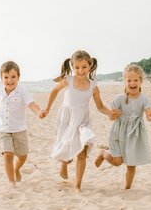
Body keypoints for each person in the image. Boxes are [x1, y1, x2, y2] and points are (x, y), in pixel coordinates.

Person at [40, 49, 117, 191]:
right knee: (68, 150)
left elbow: (100, 106)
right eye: (77, 67)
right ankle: (64, 162)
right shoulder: (67, 81)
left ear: (90, 66)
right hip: (67, 119)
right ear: (72, 66)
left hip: (82, 121)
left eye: (84, 67)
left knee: (82, 152)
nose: (80, 71)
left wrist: (109, 113)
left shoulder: (93, 87)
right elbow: (54, 91)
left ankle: (77, 185)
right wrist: (48, 108)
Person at [0, 61, 42, 186]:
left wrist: (39, 112)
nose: (10, 80)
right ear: (1, 78)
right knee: (8, 155)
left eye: (13, 77)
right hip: (2, 128)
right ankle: (12, 183)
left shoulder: (22, 91)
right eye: (6, 77)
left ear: (18, 77)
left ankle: (16, 169)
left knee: (23, 156)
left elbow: (31, 104)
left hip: (19, 129)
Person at [94, 63, 151, 189]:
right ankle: (103, 153)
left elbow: (148, 114)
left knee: (131, 165)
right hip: (118, 133)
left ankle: (127, 188)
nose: (132, 83)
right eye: (129, 80)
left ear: (141, 81)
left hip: (134, 135)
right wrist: (113, 115)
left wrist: (150, 116)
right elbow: (111, 117)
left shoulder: (144, 99)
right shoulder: (119, 99)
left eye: (135, 80)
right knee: (117, 162)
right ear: (125, 81)